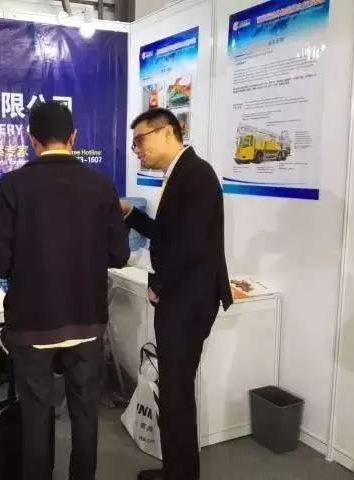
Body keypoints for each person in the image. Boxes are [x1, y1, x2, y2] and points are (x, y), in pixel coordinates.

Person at [0, 101, 130, 480]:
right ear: (73, 138)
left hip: (31, 323)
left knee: (36, 413)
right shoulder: (101, 187)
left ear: (32, 140)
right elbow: (119, 255)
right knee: (86, 412)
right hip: (86, 320)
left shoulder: (12, 186)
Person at [121, 108, 233, 480]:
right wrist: (131, 215)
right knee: (172, 392)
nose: (137, 149)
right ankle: (175, 471)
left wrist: (159, 285)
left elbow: (191, 246)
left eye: (140, 140)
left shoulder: (196, 175)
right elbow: (169, 234)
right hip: (182, 297)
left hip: (188, 301)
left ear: (167, 131)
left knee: (177, 395)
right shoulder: (179, 174)